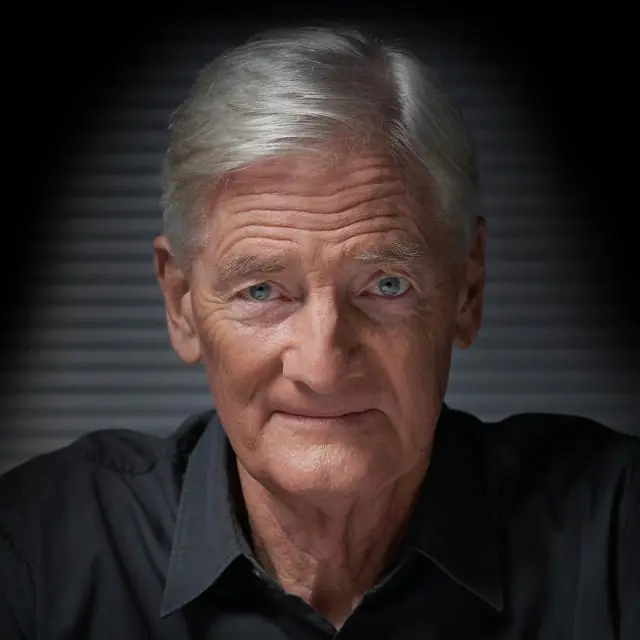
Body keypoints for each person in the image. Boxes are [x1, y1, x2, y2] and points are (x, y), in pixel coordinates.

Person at [0, 25, 638, 640]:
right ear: (181, 304)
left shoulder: (616, 532)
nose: (323, 368)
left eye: (386, 285)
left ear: (466, 293)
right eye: (261, 290)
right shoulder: (34, 550)